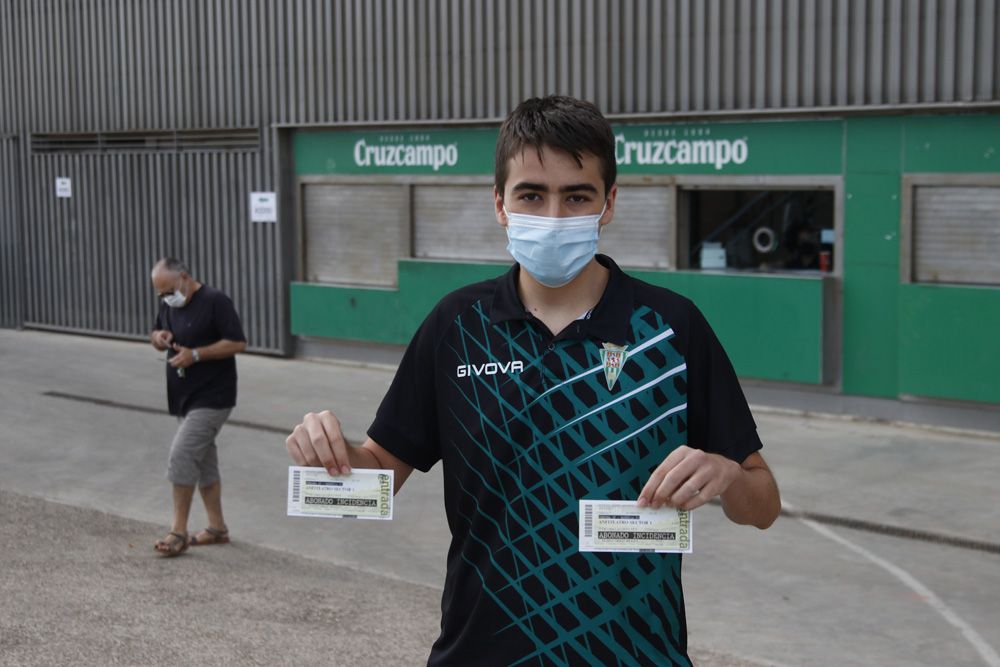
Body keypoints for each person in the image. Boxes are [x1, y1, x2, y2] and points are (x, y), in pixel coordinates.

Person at [286, 96, 781, 665]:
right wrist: (327, 455)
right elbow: (377, 478)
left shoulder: (673, 328)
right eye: (531, 195)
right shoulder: (456, 328)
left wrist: (725, 474)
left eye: (576, 196)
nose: (553, 216)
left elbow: (762, 505)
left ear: (608, 203)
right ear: (500, 204)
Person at [149, 258, 247, 557]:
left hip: (213, 397)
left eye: (168, 290)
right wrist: (159, 338)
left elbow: (237, 343)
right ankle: (217, 528)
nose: (166, 297)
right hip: (183, 398)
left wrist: (196, 354)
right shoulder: (170, 304)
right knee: (203, 461)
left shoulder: (215, 301)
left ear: (184, 277)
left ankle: (178, 531)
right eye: (160, 294)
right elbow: (155, 333)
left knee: (182, 455)